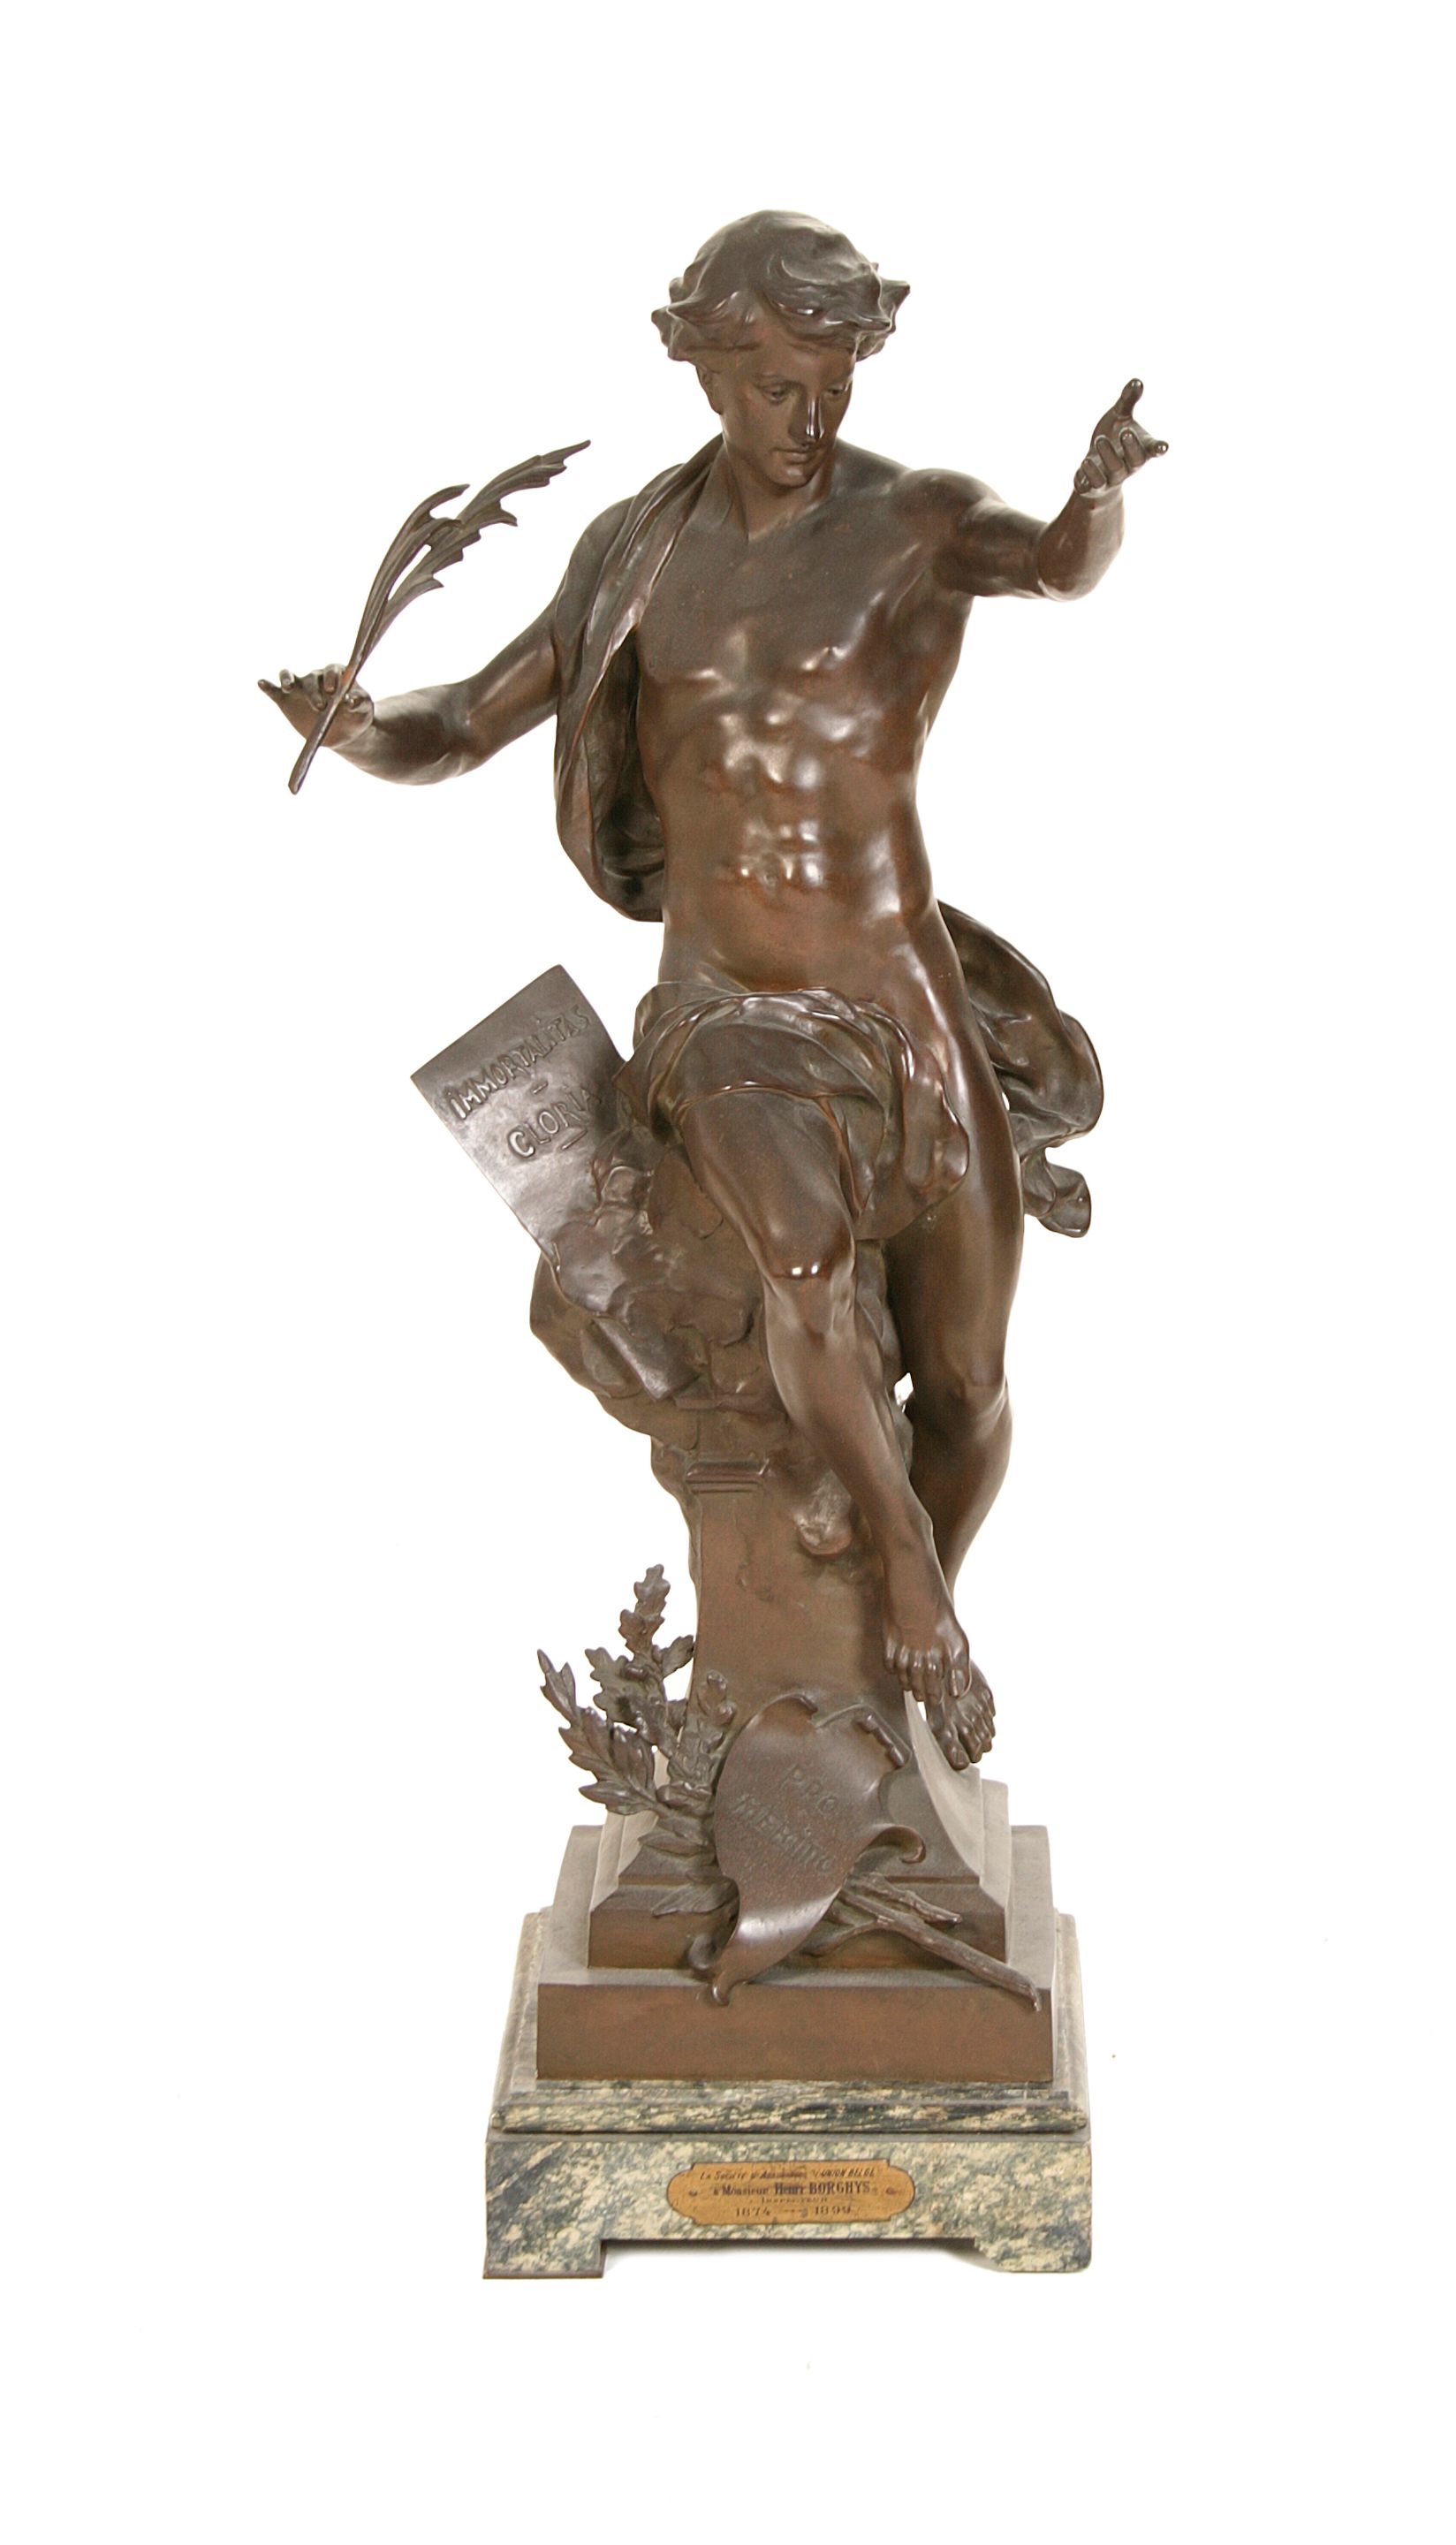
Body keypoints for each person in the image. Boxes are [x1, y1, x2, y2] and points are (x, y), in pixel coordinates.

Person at [264, 210, 1164, 1772]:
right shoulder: (637, 554)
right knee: (802, 1263)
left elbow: (1050, 567)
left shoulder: (914, 521)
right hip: (725, 1006)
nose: (807, 416)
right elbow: (461, 722)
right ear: (707, 371)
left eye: (832, 383)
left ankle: (887, 1659)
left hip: (902, 996)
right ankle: (909, 1587)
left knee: (966, 1383)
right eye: (775, 387)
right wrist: (355, 727)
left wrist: (1096, 494)